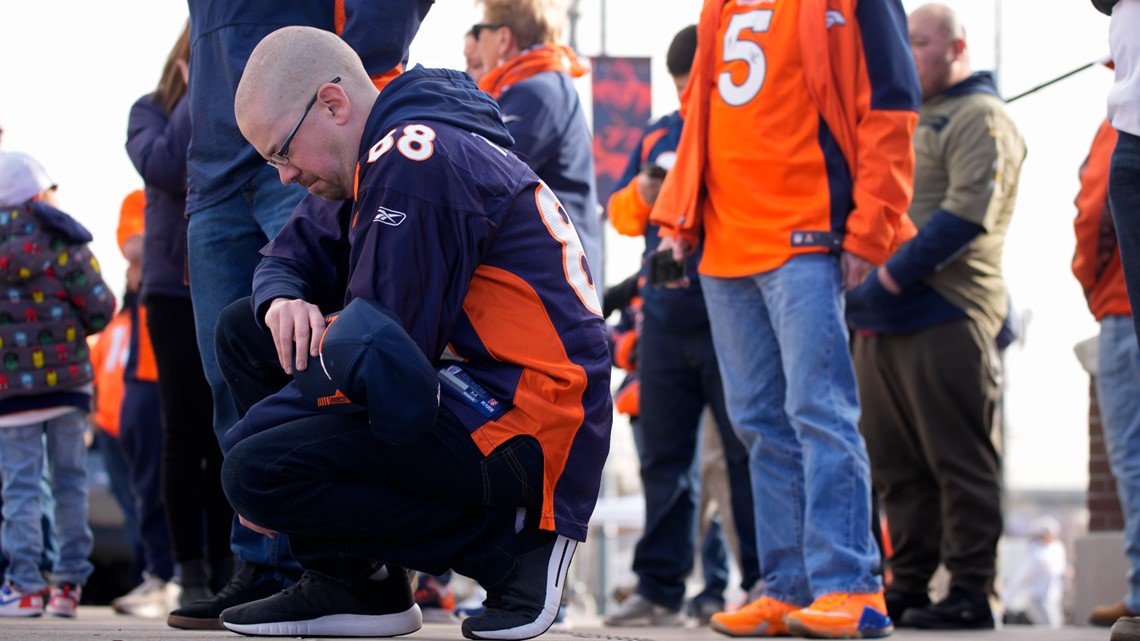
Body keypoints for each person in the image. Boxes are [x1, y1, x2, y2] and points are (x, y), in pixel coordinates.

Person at [208, 25, 611, 640]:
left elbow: (384, 355)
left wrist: (248, 444)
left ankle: (509, 545)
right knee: (249, 329)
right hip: (463, 383)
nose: (283, 177)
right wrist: (283, 299)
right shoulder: (376, 151)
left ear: (332, 103)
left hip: (527, 418)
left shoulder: (412, 159)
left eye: (282, 153)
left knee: (257, 471)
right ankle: (355, 584)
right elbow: (287, 257)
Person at [649, 0, 922, 637]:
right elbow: (701, 114)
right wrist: (679, 220)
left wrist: (872, 225)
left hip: (807, 233)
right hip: (724, 241)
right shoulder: (719, 6)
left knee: (819, 412)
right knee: (759, 426)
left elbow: (892, 103)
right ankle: (788, 586)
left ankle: (850, 584)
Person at [170, 1, 433, 629]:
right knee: (234, 359)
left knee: (348, 348)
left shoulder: (384, 140)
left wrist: (342, 83)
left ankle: (357, 569)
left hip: (306, 123)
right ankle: (265, 562)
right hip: (224, 159)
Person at [844, 3, 1025, 629]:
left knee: (960, 462)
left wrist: (886, 277)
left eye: (920, 41)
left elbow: (963, 216)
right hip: (881, 321)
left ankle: (973, 591)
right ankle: (911, 586)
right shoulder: (904, 117)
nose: (908, 52)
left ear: (955, 48)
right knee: (896, 470)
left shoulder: (982, 115)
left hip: (947, 311)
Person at [601, 24, 759, 628]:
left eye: (696, 86)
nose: (689, 98)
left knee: (746, 456)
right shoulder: (660, 130)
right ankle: (659, 587)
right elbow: (618, 212)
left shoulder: (740, 123)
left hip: (729, 313)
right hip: (664, 320)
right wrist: (644, 194)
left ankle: (763, 580)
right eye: (681, 87)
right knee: (665, 462)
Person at [125, 20, 235, 610]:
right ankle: (187, 569)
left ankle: (227, 565)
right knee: (181, 432)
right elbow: (166, 168)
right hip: (171, 289)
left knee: (227, 426)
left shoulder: (239, 106)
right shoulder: (148, 111)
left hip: (222, 278)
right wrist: (197, 97)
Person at [0, 151, 116, 617]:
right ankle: (68, 586)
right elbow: (101, 306)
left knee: (20, 487)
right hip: (69, 384)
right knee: (70, 481)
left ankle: (25, 586)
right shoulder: (65, 239)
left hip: (11, 394)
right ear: (38, 193)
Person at [473, 0, 604, 290]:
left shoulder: (537, 91)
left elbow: (485, 179)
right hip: (555, 274)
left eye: (480, 30)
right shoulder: (543, 85)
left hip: (555, 282)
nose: (475, 41)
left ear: (504, 38)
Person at [1075, 119, 1140, 631]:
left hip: (1123, 304)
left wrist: (1091, 281)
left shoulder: (1121, 120)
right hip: (1119, 301)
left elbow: (1095, 208)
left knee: (1134, 457)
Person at [103, 191, 179, 618]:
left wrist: (157, 250)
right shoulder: (140, 198)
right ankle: (159, 575)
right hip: (146, 366)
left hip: (190, 352)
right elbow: (133, 252)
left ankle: (199, 573)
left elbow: (143, 258)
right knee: (149, 483)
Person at [1001, 516, 1067, 628]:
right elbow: (1022, 576)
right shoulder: (1035, 552)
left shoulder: (1057, 548)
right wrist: (1006, 597)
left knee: (1056, 624)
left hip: (1054, 596)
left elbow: (1059, 569)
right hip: (1038, 597)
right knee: (1050, 625)